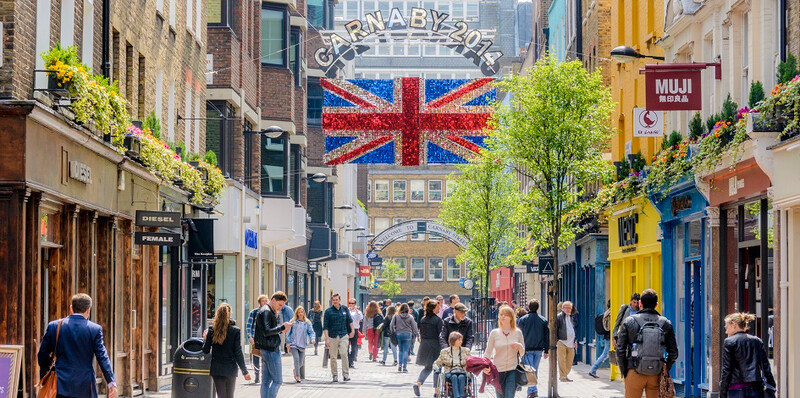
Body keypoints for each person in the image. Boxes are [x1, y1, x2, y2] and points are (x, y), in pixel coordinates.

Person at [37, 293, 117, 398]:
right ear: (88, 309)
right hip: (85, 385)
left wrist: (47, 370)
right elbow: (102, 357)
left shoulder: (54, 326)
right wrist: (111, 381)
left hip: (60, 384)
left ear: (71, 308)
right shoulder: (94, 329)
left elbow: (42, 355)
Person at [617, 289, 679, 398]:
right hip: (656, 372)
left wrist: (625, 371)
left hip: (634, 371)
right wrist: (665, 368)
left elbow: (620, 349)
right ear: (656, 305)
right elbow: (673, 353)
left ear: (640, 303)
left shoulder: (629, 321)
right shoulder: (665, 323)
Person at [720, 312, 776, 398]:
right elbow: (766, 367)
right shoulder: (757, 341)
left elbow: (726, 370)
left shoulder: (729, 342)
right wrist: (772, 386)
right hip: (756, 388)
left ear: (734, 325)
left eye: (726, 327)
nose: (726, 331)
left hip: (736, 390)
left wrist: (722, 393)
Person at [202, 303, 251, 397]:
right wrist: (244, 371)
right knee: (229, 395)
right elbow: (238, 352)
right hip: (230, 368)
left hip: (217, 368)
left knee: (221, 395)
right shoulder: (235, 331)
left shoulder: (212, 330)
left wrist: (205, 339)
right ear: (229, 314)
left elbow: (206, 350)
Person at [254, 291, 294, 398]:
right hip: (271, 350)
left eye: (282, 306)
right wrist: (282, 327)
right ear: (273, 300)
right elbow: (267, 331)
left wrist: (281, 330)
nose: (280, 308)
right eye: (279, 304)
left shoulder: (267, 311)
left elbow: (268, 330)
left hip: (267, 349)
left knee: (266, 382)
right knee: (278, 381)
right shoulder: (267, 311)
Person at [484, 305, 525, 398]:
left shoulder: (518, 332)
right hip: (497, 370)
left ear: (511, 317)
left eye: (505, 315)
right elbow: (488, 351)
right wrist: (484, 365)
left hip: (512, 369)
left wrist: (519, 346)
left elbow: (522, 353)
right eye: (501, 314)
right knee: (500, 396)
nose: (502, 316)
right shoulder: (494, 333)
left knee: (509, 396)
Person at [517, 299, 549, 398]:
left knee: (530, 370)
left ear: (529, 307)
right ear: (538, 307)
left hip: (526, 349)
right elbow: (546, 336)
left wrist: (519, 349)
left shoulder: (522, 320)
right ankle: (532, 390)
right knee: (535, 370)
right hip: (539, 349)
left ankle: (532, 391)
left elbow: (519, 335)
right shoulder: (543, 320)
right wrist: (546, 350)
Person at [414, 299, 444, 397]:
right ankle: (436, 391)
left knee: (427, 367)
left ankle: (418, 383)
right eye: (437, 307)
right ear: (434, 308)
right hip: (435, 345)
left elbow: (421, 332)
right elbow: (441, 335)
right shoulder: (438, 320)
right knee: (437, 368)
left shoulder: (423, 319)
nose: (439, 308)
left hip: (425, 345)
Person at [324, 293, 355, 382]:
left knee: (343, 353)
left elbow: (350, 320)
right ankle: (335, 375)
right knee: (333, 356)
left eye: (336, 300)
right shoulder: (328, 311)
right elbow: (325, 326)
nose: (335, 301)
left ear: (339, 300)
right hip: (332, 336)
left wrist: (352, 330)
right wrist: (327, 339)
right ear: (332, 301)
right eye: (333, 300)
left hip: (343, 334)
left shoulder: (345, 309)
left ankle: (346, 375)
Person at [434, 331, 471, 398]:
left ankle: (461, 395)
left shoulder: (466, 351)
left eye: (461, 340)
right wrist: (436, 367)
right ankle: (457, 396)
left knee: (461, 377)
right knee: (454, 377)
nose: (461, 341)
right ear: (453, 341)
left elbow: (471, 361)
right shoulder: (444, 352)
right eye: (459, 340)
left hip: (462, 370)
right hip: (449, 371)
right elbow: (437, 363)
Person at [286, 306, 316, 383]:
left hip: (302, 344)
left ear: (304, 313)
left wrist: (312, 339)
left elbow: (311, 332)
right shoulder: (292, 322)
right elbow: (288, 333)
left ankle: (295, 370)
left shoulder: (307, 323)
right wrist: (288, 342)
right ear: (296, 313)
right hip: (294, 344)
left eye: (301, 312)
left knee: (301, 362)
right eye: (298, 312)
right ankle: (298, 376)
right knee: (296, 359)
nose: (300, 314)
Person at [247, 294, 269, 384]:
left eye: (266, 301)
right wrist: (249, 336)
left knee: (265, 357)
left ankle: (264, 375)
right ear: (259, 302)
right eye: (263, 301)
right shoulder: (254, 312)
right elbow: (248, 325)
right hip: (255, 338)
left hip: (265, 338)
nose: (264, 302)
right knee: (256, 356)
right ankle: (257, 375)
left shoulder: (268, 312)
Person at [391, 303, 419, 373]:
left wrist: (393, 332)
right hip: (407, 334)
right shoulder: (410, 317)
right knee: (406, 351)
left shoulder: (396, 316)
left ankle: (400, 365)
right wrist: (417, 335)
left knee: (400, 350)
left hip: (399, 334)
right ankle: (405, 367)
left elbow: (391, 325)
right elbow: (414, 326)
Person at [556, 301, 579, 382]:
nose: (569, 309)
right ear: (562, 308)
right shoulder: (559, 317)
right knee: (562, 360)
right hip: (561, 341)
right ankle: (563, 377)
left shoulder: (572, 317)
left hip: (571, 342)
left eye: (570, 308)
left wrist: (575, 340)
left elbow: (573, 330)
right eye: (567, 307)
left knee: (569, 361)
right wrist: (556, 340)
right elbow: (554, 329)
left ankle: (565, 374)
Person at [589, 300, 612, 379]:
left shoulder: (607, 313)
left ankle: (593, 369)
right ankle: (593, 369)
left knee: (606, 354)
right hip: (610, 337)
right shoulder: (611, 313)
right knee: (605, 354)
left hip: (607, 336)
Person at [348, 298, 364, 368]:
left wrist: (357, 310)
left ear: (355, 304)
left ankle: (351, 361)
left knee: (354, 347)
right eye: (350, 303)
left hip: (355, 329)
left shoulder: (358, 312)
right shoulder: (346, 310)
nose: (351, 305)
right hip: (347, 330)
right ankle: (348, 360)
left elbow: (361, 319)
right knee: (346, 347)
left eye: (352, 303)